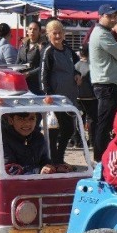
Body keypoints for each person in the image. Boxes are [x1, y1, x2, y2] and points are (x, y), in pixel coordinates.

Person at [89, 4, 117, 161]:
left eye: (114, 17)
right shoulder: (103, 34)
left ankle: (101, 156)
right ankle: (100, 158)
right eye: (109, 16)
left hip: (107, 84)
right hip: (106, 85)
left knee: (105, 123)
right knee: (104, 125)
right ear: (101, 16)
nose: (112, 19)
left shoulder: (103, 33)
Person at [40, 20, 81, 164]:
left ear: (64, 34)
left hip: (69, 96)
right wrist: (47, 94)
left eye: (60, 33)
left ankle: (59, 157)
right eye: (54, 33)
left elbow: (75, 65)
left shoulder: (68, 49)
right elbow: (43, 74)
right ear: (48, 35)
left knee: (69, 129)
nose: (57, 36)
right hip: (55, 97)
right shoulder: (48, 51)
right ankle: (53, 159)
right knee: (54, 129)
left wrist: (77, 73)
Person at [2, 112, 71, 175]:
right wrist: (38, 171)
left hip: (35, 180)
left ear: (36, 120)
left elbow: (44, 159)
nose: (27, 123)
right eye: (21, 119)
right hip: (12, 183)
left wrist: (55, 168)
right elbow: (9, 169)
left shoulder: (38, 137)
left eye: (31, 119)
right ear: (11, 121)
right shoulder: (2, 139)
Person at [74, 48, 97, 148]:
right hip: (91, 96)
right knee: (91, 119)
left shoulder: (75, 66)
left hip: (78, 96)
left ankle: (78, 141)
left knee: (78, 119)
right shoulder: (92, 65)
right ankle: (92, 141)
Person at [17, 20, 48, 95]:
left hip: (37, 84)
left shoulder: (43, 46)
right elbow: (18, 62)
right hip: (23, 83)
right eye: (30, 29)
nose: (32, 31)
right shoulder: (23, 45)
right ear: (27, 31)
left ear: (39, 32)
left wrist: (29, 73)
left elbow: (44, 65)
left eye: (35, 29)